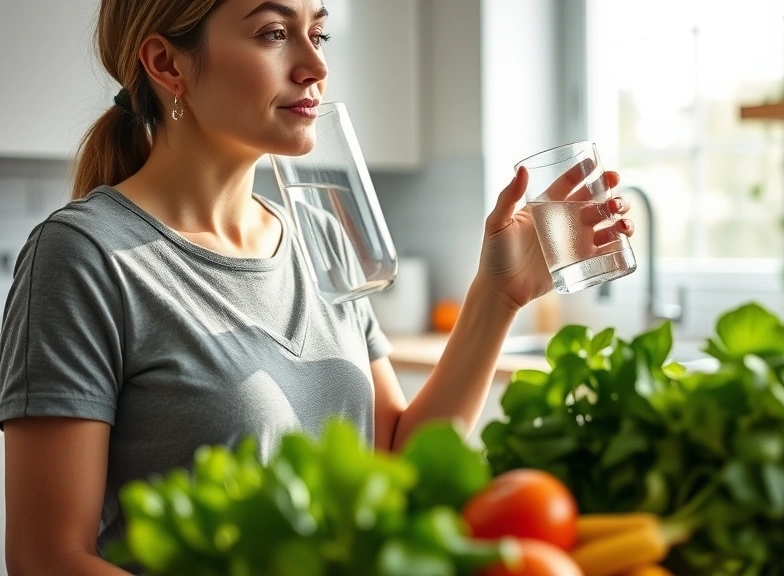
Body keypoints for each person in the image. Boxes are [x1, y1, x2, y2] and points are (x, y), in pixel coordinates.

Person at [0, 0, 634, 574]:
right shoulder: (83, 257)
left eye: (319, 32)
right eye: (275, 33)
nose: (313, 65)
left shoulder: (319, 233)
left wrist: (499, 296)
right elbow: (46, 558)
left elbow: (396, 462)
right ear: (168, 63)